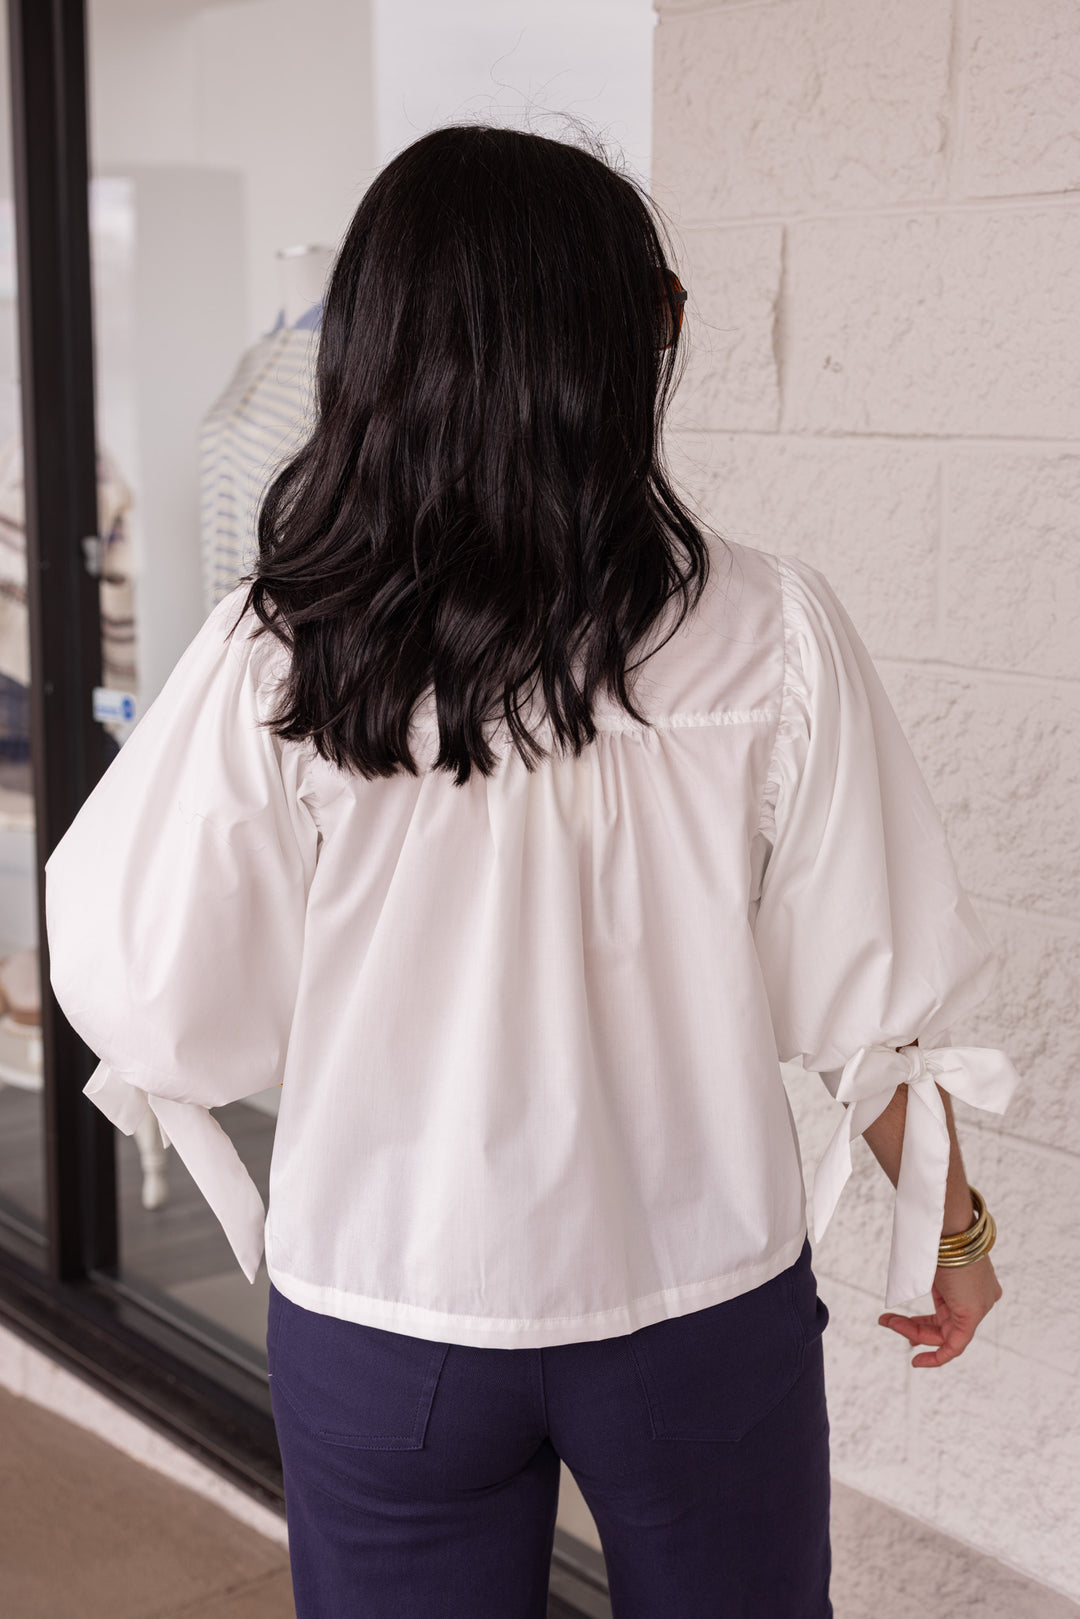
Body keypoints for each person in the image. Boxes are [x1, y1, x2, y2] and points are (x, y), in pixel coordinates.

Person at [43, 123, 1022, 1619]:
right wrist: (948, 1235)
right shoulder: (772, 632)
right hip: (697, 1301)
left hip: (386, 1303)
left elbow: (158, 992)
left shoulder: (277, 648)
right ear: (613, 351)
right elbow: (867, 995)